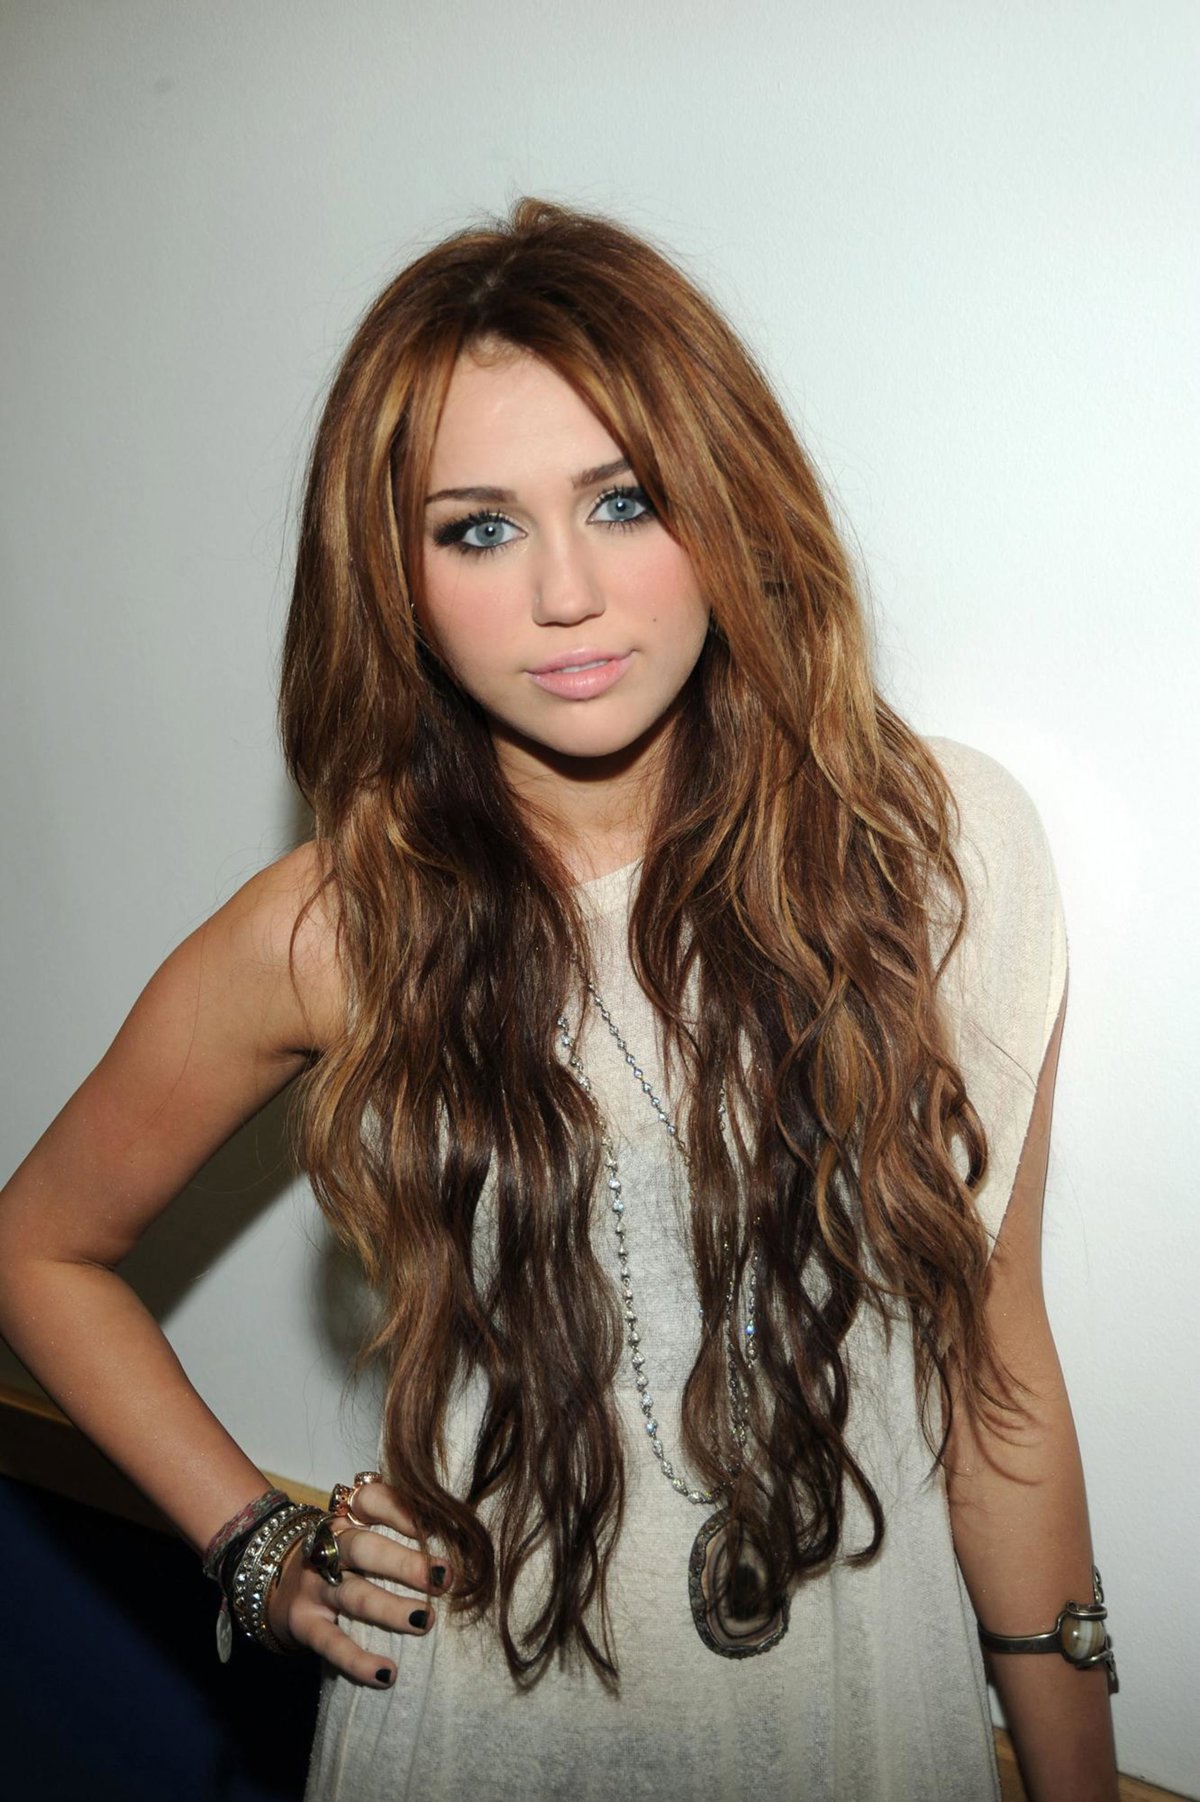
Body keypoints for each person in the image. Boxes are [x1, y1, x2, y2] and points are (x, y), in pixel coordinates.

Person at [0, 198, 1118, 1802]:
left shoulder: (939, 854)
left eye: (625, 498)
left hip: (866, 1725)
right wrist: (260, 1547)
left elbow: (999, 1379)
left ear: (726, 502)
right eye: (479, 528)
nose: (568, 592)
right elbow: (37, 1248)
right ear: (392, 573)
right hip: (482, 1734)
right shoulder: (340, 926)